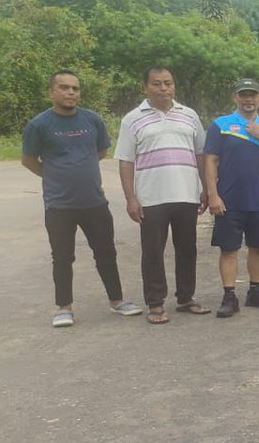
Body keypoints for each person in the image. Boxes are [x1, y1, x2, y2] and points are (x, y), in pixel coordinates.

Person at [22, 70, 142, 327]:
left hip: (94, 202)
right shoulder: (39, 125)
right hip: (59, 205)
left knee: (106, 253)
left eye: (75, 88)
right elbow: (28, 160)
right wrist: (53, 174)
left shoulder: (92, 120)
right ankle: (64, 307)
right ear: (51, 92)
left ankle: (117, 301)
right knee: (63, 257)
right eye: (64, 88)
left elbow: (100, 150)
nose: (71, 93)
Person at [115, 66, 209, 324]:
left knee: (187, 249)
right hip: (151, 197)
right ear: (145, 87)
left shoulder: (189, 115)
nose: (164, 89)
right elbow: (125, 161)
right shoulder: (132, 119)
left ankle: (185, 298)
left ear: (174, 86)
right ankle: (155, 303)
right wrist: (131, 198)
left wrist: (207, 189)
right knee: (153, 251)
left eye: (168, 83)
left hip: (187, 195)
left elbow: (201, 154)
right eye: (157, 84)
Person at [203, 77, 259, 318]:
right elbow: (210, 161)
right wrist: (212, 195)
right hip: (228, 200)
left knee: (258, 248)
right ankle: (229, 296)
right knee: (228, 249)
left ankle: (255, 291)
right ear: (235, 97)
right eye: (243, 95)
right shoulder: (220, 125)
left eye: (253, 95)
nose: (248, 99)